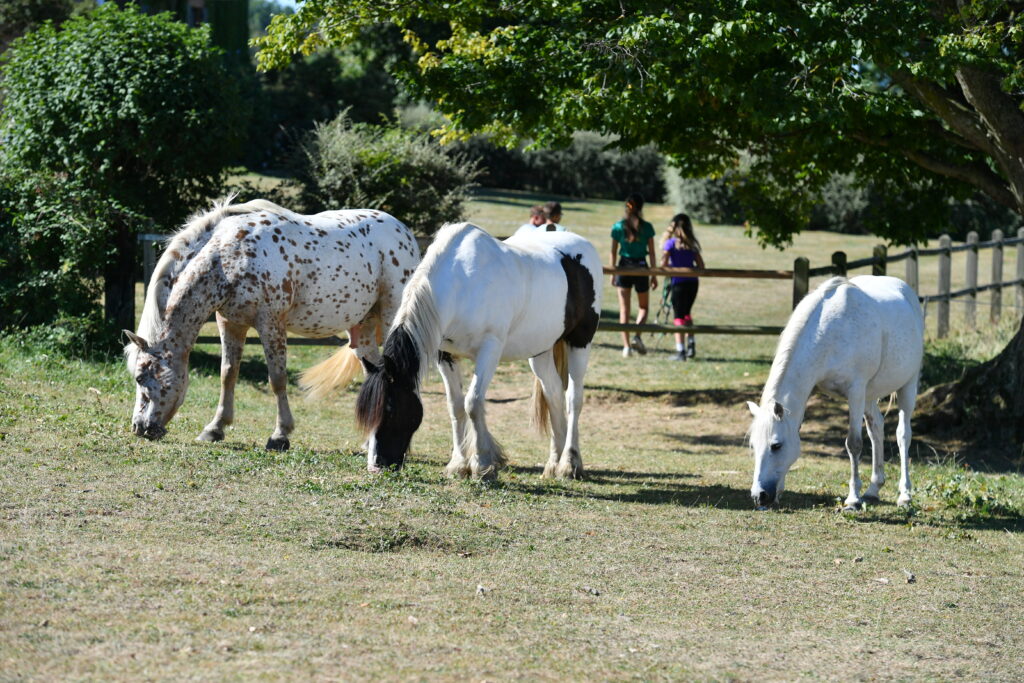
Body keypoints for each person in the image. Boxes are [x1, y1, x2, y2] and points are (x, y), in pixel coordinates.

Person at [610, 193, 657, 357]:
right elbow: (651, 253)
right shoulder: (648, 227)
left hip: (623, 267)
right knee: (643, 307)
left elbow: (613, 252)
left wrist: (613, 272)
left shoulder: (617, 227)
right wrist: (654, 274)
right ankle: (637, 335)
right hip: (642, 267)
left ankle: (626, 347)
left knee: (624, 309)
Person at [661, 213, 705, 360]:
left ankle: (681, 351)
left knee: (678, 317)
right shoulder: (692, 244)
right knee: (686, 313)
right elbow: (701, 265)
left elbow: (663, 264)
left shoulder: (671, 243)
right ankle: (691, 343)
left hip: (678, 283)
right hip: (693, 283)